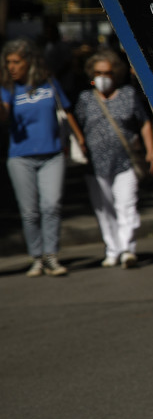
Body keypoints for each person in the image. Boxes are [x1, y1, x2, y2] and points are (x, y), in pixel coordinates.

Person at [1, 38, 85, 277]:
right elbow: (4, 115)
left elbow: (66, 111)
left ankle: (51, 256)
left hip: (52, 154)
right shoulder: (7, 88)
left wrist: (79, 139)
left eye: (16, 62)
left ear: (29, 61)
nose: (11, 67)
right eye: (8, 63)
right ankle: (36, 257)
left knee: (51, 206)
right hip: (20, 158)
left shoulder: (49, 83)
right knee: (29, 211)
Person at [73, 49, 153, 268]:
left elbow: (144, 122)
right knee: (104, 208)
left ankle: (127, 249)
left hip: (125, 161)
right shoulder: (85, 99)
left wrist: (150, 150)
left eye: (107, 73)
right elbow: (78, 125)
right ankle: (112, 249)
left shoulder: (128, 95)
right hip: (95, 165)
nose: (103, 77)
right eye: (98, 72)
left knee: (126, 205)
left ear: (115, 74)